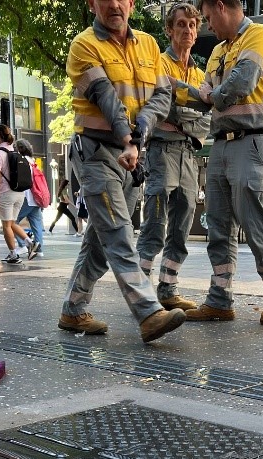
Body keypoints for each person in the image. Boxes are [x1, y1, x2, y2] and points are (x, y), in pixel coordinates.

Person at [61, 0, 185, 343]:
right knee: (117, 232)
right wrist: (129, 139)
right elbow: (106, 99)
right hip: (96, 153)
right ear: (92, 3)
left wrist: (138, 137)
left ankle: (73, 309)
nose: (115, 4)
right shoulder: (84, 45)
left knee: (101, 241)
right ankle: (147, 312)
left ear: (131, 3)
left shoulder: (148, 45)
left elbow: (162, 96)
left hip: (132, 155)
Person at [187, 0, 263, 326]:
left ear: (222, 6)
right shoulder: (219, 51)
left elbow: (242, 83)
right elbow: (209, 88)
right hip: (220, 144)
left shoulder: (258, 35)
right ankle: (219, 299)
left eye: (207, 18)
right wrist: (213, 92)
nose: (208, 25)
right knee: (218, 226)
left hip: (253, 140)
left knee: (252, 219)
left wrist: (213, 93)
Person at [136, 2, 211, 313]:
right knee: (154, 222)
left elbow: (209, 118)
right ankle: (139, 293)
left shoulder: (198, 72)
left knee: (181, 226)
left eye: (192, 25)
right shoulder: (158, 66)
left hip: (189, 156)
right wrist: (187, 116)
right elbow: (159, 109)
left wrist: (181, 117)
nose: (188, 31)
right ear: (169, 29)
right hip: (160, 152)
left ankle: (168, 289)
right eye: (181, 24)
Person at [0, 124, 30, 265]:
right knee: (12, 223)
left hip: (6, 193)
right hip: (20, 193)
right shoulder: (14, 151)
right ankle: (29, 242)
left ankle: (13, 254)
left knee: (6, 225)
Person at [12, 139, 43, 259]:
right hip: (37, 197)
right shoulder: (33, 162)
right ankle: (39, 250)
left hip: (27, 197)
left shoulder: (22, 162)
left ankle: (23, 244)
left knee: (12, 221)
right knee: (37, 224)